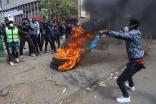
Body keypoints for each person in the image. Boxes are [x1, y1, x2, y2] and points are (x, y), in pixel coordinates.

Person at [100, 19, 145, 103]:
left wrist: (107, 31)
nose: (127, 25)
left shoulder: (132, 34)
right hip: (136, 61)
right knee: (128, 69)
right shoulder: (136, 32)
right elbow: (123, 31)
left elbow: (120, 35)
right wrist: (121, 30)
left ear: (132, 25)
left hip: (136, 62)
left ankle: (126, 97)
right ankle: (131, 86)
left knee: (120, 80)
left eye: (129, 24)